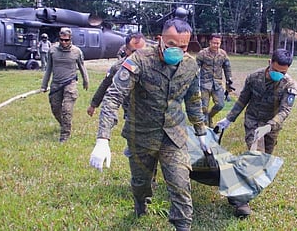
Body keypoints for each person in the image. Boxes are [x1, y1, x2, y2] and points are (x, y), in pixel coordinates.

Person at [89, 18, 211, 231]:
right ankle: (141, 205)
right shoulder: (139, 60)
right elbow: (113, 96)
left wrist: (201, 131)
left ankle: (182, 226)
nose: (178, 51)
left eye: (183, 46)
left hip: (174, 136)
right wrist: (102, 138)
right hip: (141, 136)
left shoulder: (191, 65)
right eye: (172, 45)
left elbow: (193, 100)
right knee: (141, 185)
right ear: (160, 40)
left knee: (181, 185)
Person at [215, 48, 297, 218]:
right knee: (255, 159)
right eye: (275, 71)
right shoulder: (254, 78)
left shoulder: (288, 85)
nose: (278, 75)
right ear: (269, 62)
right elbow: (242, 100)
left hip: (271, 127)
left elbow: (284, 110)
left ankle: (241, 192)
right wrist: (228, 119)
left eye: (283, 72)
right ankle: (240, 201)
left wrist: (270, 126)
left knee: (264, 163)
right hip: (253, 123)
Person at [40, 27, 89, 143]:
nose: (64, 42)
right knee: (55, 108)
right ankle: (64, 124)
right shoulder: (52, 50)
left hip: (70, 83)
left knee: (67, 109)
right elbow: (48, 69)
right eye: (62, 40)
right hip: (56, 84)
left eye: (66, 40)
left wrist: (85, 80)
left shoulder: (76, 52)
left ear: (70, 39)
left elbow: (82, 67)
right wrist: (44, 84)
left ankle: (65, 135)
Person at [86, 32, 146, 117]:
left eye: (142, 50)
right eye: (135, 52)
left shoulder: (155, 63)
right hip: (131, 109)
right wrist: (94, 104)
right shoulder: (118, 67)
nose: (140, 55)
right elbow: (105, 84)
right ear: (127, 50)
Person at [196, 33, 233, 127]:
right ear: (209, 42)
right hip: (204, 84)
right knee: (203, 107)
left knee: (220, 104)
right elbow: (195, 67)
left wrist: (229, 81)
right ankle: (205, 128)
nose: (216, 45)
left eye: (218, 43)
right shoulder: (202, 53)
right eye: (214, 43)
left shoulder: (223, 54)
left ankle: (209, 116)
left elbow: (227, 68)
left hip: (217, 84)